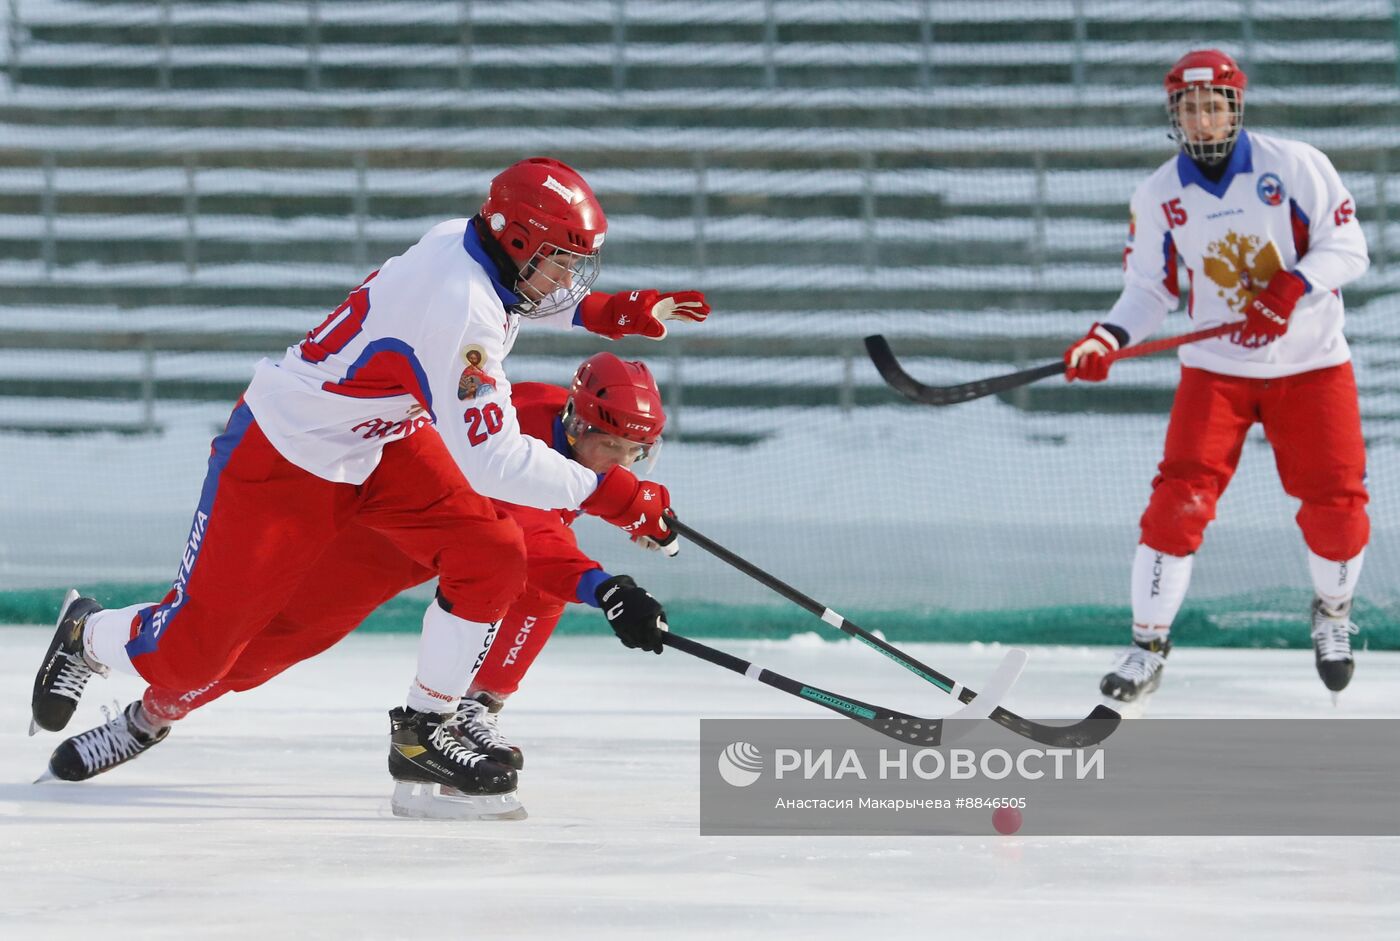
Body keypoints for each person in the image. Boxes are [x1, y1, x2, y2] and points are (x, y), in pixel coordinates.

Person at [29, 156, 710, 818]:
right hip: (285, 457)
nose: (567, 277)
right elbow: (491, 459)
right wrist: (613, 493)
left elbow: (513, 301)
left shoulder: (468, 248)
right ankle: (90, 635)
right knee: (193, 653)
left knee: (492, 551)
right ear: (520, 241)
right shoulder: (461, 309)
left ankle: (423, 731)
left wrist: (600, 311)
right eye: (561, 258)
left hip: (379, 441)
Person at [38, 352, 673, 819]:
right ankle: (148, 709)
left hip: (446, 547)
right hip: (376, 539)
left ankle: (475, 709)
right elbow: (535, 534)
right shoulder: (518, 429)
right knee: (258, 649)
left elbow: (561, 530)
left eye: (633, 453)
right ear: (575, 419)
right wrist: (606, 588)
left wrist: (641, 509)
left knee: (525, 582)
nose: (618, 462)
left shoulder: (582, 448)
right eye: (608, 444)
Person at [1062, 50, 1370, 704]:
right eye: (1189, 108)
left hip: (1311, 365)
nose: (1202, 120)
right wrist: (1105, 337)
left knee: (1337, 508)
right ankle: (1147, 647)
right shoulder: (1158, 195)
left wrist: (1286, 290)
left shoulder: (1296, 166)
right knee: (1177, 503)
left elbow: (1349, 249)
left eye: (1214, 106)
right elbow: (1148, 290)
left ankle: (1334, 613)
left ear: (1235, 107)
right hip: (1217, 371)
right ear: (1174, 115)